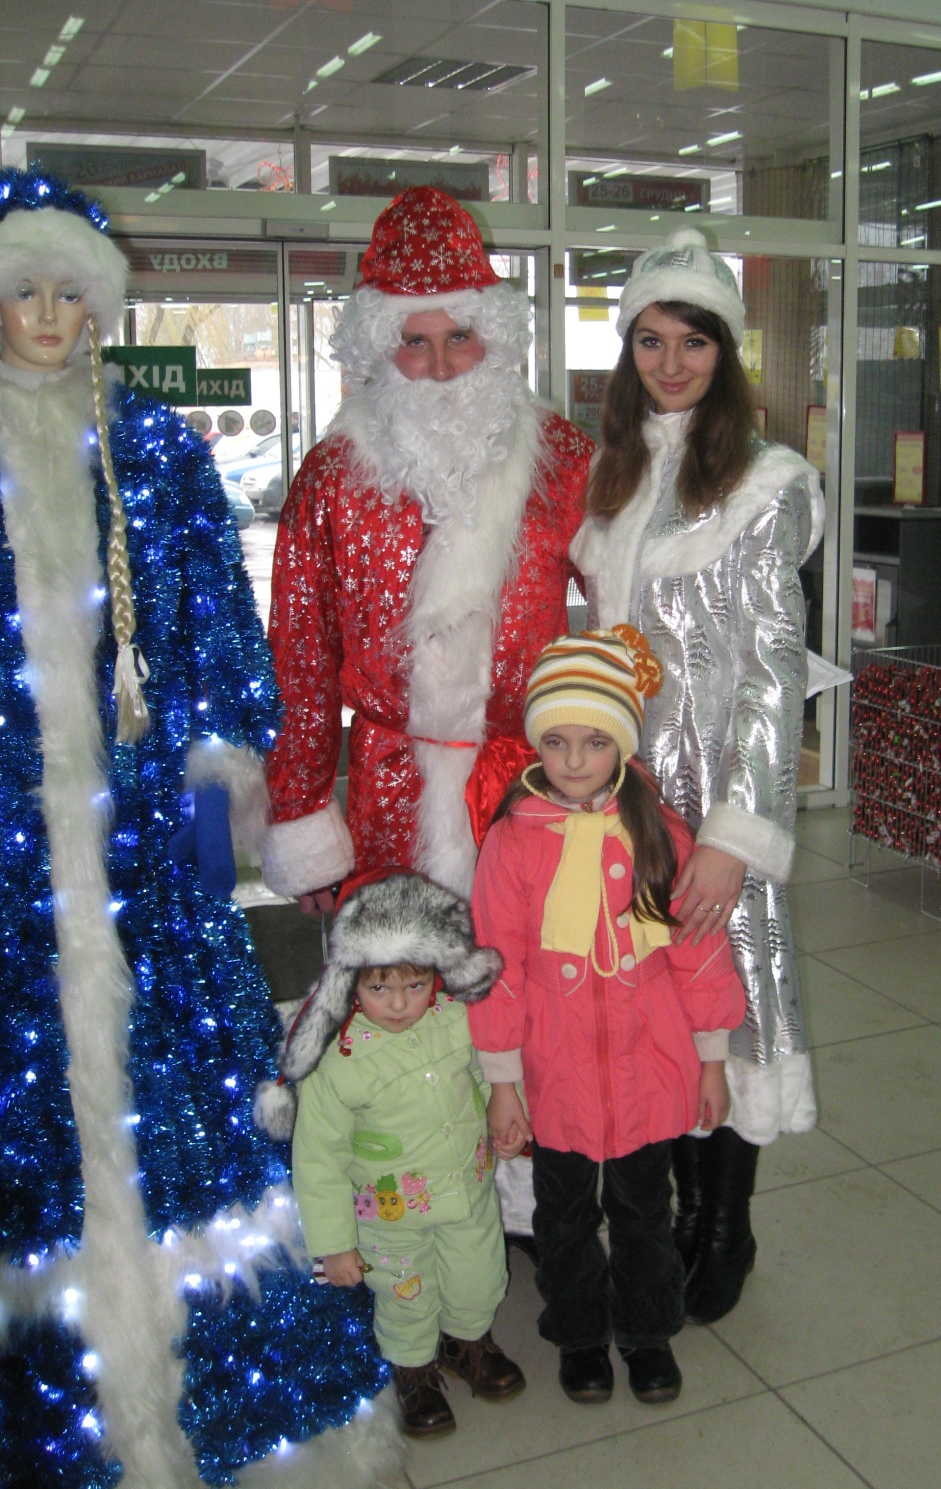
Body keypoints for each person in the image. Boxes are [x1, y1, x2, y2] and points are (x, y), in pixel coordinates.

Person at [0, 169, 398, 1487]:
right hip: (11, 870)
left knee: (188, 1113)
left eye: (68, 294)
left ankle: (229, 1411)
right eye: (22, 292)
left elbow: (223, 629)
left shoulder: (158, 449)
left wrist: (213, 785)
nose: (46, 318)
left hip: (146, 867)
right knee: (35, 1125)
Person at [261, 187, 592, 1239]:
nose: (442, 365)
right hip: (388, 783)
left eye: (460, 338)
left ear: (494, 339)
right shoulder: (332, 477)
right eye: (415, 341)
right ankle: (401, 1203)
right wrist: (303, 813)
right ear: (377, 348)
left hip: (525, 785)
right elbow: (299, 654)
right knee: (395, 990)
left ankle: (527, 1194)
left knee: (527, 979)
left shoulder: (563, 463)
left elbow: (626, 603)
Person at [569, 228, 825, 1325]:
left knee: (736, 1005)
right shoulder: (612, 476)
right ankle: (671, 1208)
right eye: (650, 341)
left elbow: (774, 669)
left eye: (694, 341)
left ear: (726, 351)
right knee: (658, 1007)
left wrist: (734, 834)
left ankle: (727, 1223)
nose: (671, 363)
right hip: (625, 800)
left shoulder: (765, 483)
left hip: (716, 793)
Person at [469, 629, 747, 1405]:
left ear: (622, 742)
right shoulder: (513, 842)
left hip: (646, 1067)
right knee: (562, 1217)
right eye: (556, 742)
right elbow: (497, 969)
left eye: (595, 741)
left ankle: (647, 1332)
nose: (574, 760)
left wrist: (713, 1060)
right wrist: (502, 1082)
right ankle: (580, 1335)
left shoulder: (658, 831)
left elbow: (697, 955)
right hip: (554, 1073)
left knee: (644, 1213)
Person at [277, 869, 524, 1440]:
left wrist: (507, 1112)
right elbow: (318, 1159)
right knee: (405, 1296)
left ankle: (468, 1342)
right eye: (378, 989)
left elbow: (486, 1076)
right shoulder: (338, 1061)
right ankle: (413, 1370)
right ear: (349, 983)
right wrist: (334, 1244)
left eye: (415, 985)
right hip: (390, 1218)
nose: (398, 1004)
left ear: (437, 973)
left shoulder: (456, 1018)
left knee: (477, 1274)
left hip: (466, 1193)